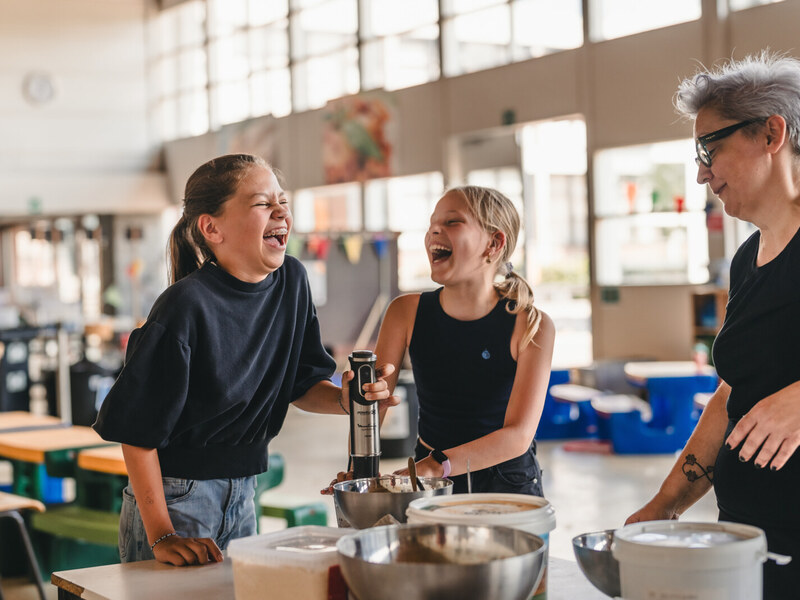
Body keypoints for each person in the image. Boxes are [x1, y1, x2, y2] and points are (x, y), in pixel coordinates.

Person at [94, 153, 395, 566]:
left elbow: (302, 386)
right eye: (261, 203)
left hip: (246, 491)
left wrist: (349, 400)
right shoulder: (184, 306)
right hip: (176, 497)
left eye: (283, 202)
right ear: (211, 227)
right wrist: (161, 532)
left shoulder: (292, 281)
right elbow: (136, 432)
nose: (281, 213)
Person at [626, 51, 800, 598]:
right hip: (748, 536)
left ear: (772, 133)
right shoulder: (747, 259)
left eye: (711, 148)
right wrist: (665, 504)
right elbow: (731, 395)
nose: (702, 173)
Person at [325, 185, 555, 495]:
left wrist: (438, 464)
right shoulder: (405, 312)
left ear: (494, 243)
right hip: (427, 480)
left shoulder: (530, 326)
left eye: (452, 222)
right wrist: (358, 468)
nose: (434, 230)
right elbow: (372, 405)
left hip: (506, 482)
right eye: (432, 222)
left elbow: (518, 435)